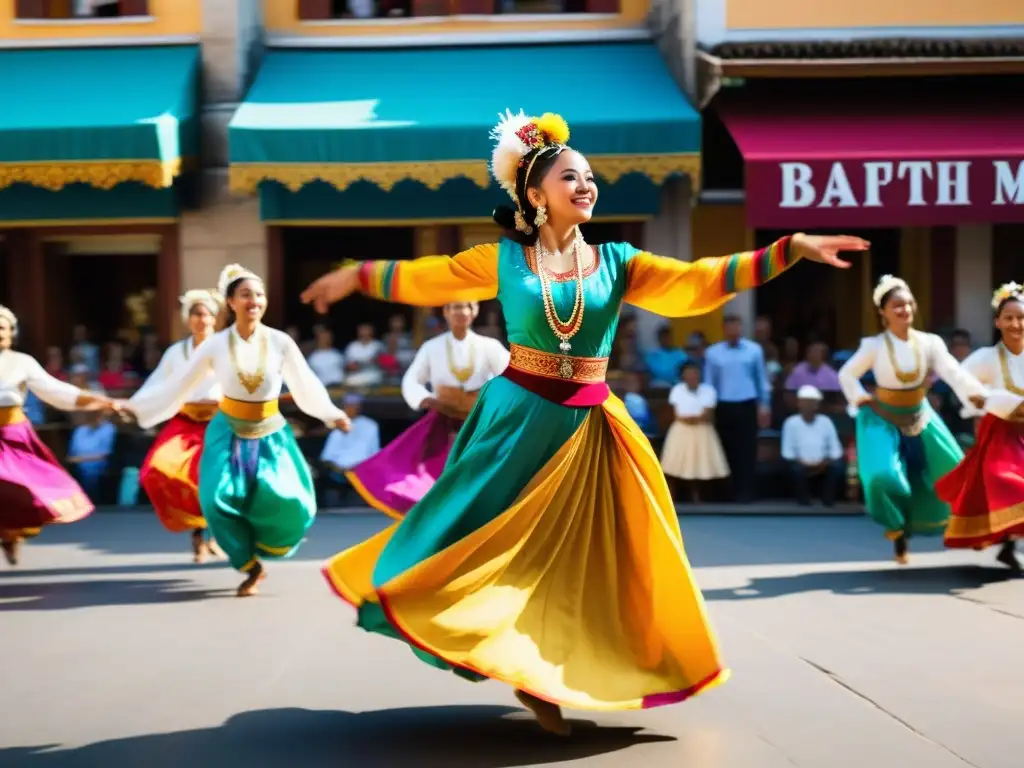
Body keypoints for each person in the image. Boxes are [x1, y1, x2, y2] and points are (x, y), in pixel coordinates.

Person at [302, 110, 867, 734]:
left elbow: (697, 281)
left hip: (591, 429)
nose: (586, 186)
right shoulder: (504, 260)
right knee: (492, 548)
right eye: (571, 177)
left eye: (591, 177)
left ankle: (562, 670)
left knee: (593, 560)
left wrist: (789, 250)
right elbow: (425, 278)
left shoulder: (619, 260)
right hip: (516, 424)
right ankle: (514, 663)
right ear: (536, 194)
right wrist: (354, 274)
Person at [123, 265, 351, 597]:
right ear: (231, 302)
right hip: (225, 430)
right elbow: (178, 383)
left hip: (271, 431)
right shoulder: (215, 345)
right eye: (245, 295)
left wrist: (333, 415)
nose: (254, 301)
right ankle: (249, 565)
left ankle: (259, 545)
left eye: (259, 295)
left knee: (290, 500)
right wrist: (136, 407)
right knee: (215, 500)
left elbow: (306, 384)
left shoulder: (280, 342)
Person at [838, 275, 987, 564]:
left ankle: (971, 529)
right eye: (896, 305)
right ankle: (897, 529)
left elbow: (953, 373)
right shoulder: (873, 345)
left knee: (957, 471)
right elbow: (847, 374)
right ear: (883, 312)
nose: (903, 310)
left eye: (907, 304)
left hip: (920, 415)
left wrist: (977, 395)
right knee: (885, 478)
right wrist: (861, 398)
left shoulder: (930, 343)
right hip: (883, 418)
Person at [348, 302, 509, 518]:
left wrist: (494, 397)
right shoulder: (432, 347)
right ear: (446, 313)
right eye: (455, 308)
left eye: (466, 307)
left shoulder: (490, 346)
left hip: (479, 417)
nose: (461, 313)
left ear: (475, 312)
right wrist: (423, 397)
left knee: (484, 466)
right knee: (431, 469)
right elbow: (412, 379)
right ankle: (438, 515)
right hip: (443, 416)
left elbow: (509, 375)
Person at [0, 306, 115, 566]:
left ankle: (11, 535)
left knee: (21, 488)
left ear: (11, 333)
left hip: (14, 434)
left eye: (2, 327)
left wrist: (97, 401)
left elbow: (55, 391)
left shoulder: (22, 362)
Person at [935, 283, 1024, 572]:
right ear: (997, 322)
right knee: (1004, 481)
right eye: (1008, 318)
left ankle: (1009, 545)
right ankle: (1008, 543)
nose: (1015, 324)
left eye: (1021, 318)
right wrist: (978, 401)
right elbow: (962, 380)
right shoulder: (987, 357)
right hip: (1000, 433)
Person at [136, 289, 224, 563]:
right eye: (196, 314)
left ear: (214, 318)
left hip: (220, 423)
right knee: (160, 470)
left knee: (216, 481)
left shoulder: (225, 347)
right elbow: (158, 383)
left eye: (206, 314)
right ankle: (197, 536)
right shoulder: (177, 352)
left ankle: (214, 537)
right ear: (188, 319)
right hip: (185, 422)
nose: (201, 319)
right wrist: (133, 405)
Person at [705, 315, 771, 502]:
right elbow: (710, 382)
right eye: (730, 327)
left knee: (747, 448)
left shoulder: (754, 350)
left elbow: (761, 380)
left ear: (741, 328)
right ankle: (727, 492)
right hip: (723, 404)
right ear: (724, 329)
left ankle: (747, 492)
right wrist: (709, 407)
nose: (734, 330)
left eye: (737, 326)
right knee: (726, 448)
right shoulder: (713, 352)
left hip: (747, 403)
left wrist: (764, 406)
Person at [661, 361, 728, 502]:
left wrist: (693, 418)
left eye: (695, 373)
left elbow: (708, 414)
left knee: (701, 464)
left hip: (703, 431)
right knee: (673, 466)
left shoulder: (708, 390)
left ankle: (700, 498)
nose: (692, 376)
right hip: (681, 430)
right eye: (689, 373)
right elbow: (678, 414)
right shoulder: (677, 390)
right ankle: (669, 499)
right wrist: (693, 418)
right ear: (683, 376)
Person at [780, 385, 844, 507]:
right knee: (793, 468)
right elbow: (787, 452)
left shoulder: (826, 422)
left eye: (812, 402)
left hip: (824, 463)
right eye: (805, 402)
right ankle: (804, 501)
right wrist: (804, 462)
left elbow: (836, 450)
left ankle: (828, 501)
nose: (809, 406)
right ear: (799, 404)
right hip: (800, 463)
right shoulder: (791, 423)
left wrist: (824, 462)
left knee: (837, 467)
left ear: (817, 405)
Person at [319, 394, 381, 506]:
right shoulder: (337, 426)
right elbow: (327, 457)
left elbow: (374, 453)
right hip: (338, 471)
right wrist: (340, 469)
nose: (351, 409)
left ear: (359, 408)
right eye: (348, 406)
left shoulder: (370, 425)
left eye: (354, 406)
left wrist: (359, 468)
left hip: (361, 471)